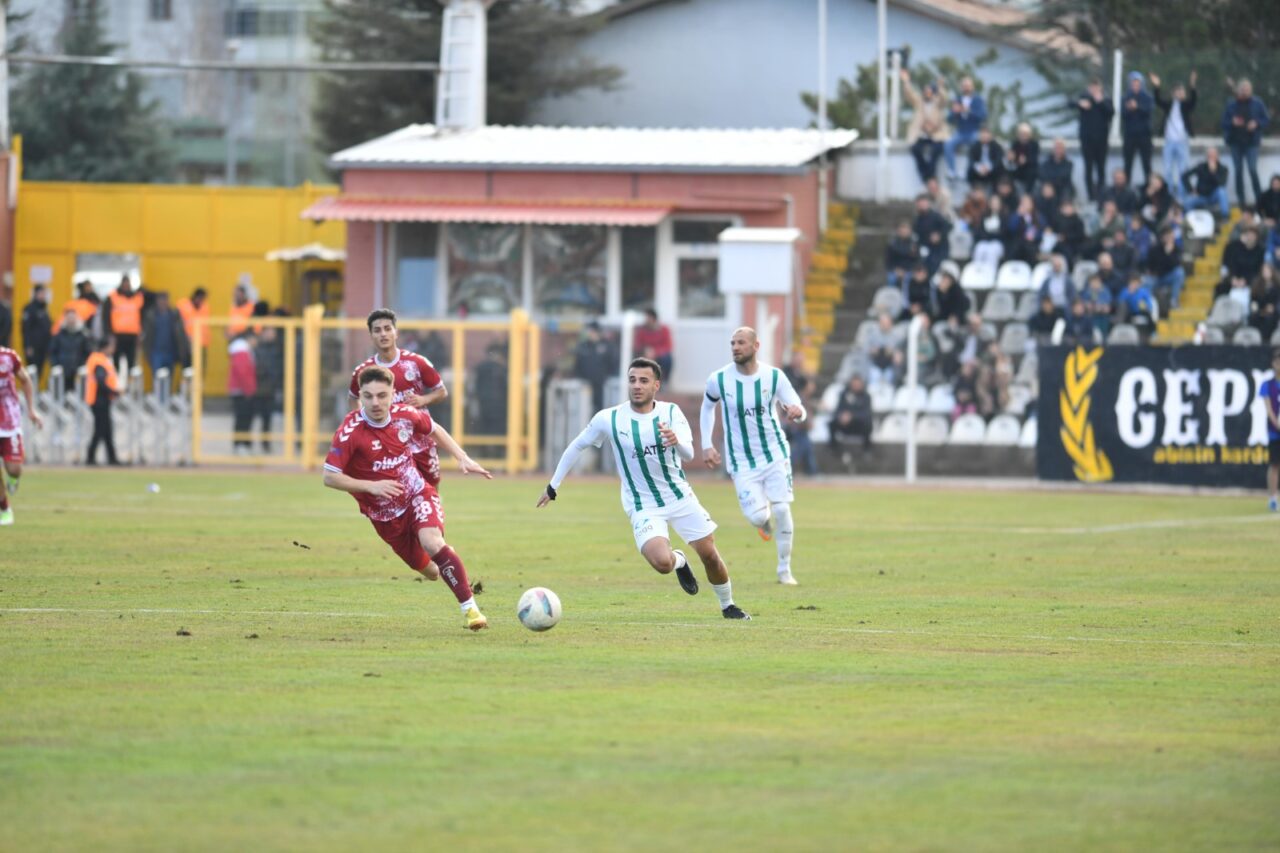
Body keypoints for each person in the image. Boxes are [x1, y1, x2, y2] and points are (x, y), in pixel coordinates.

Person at [540, 357, 751, 619]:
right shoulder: (610, 418)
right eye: (632, 380)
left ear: (656, 385)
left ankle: (728, 605)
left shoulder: (671, 412)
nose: (637, 385)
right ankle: (680, 561)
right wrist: (553, 485)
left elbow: (688, 453)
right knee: (663, 563)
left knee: (710, 555)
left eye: (643, 380)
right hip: (642, 504)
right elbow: (577, 445)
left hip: (679, 497)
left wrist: (675, 441)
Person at [324, 365, 493, 631]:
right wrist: (371, 486)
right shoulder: (350, 432)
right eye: (368, 396)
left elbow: (434, 429)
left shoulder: (405, 415)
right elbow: (330, 476)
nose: (375, 402)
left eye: (382, 395)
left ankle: (471, 610)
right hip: (386, 518)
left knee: (432, 541)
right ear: (360, 397)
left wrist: (463, 458)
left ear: (393, 393)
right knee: (432, 572)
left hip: (416, 493)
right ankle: (448, 563)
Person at [700, 327, 807, 587]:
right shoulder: (719, 379)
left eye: (741, 343)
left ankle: (784, 570)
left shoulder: (773, 377)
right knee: (758, 518)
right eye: (732, 343)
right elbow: (707, 408)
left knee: (782, 507)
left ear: (755, 346)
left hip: (774, 453)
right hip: (741, 460)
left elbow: (798, 407)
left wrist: (797, 412)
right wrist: (706, 444)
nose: (735, 347)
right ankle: (763, 522)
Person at [347, 309, 448, 485]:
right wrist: (363, 423)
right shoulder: (364, 370)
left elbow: (442, 392)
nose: (383, 334)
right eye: (377, 330)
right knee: (393, 492)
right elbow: (353, 397)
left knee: (431, 487)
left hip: (421, 439)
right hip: (387, 443)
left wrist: (423, 400)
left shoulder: (416, 362)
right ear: (371, 335)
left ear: (396, 332)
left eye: (387, 328)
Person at [0, 345, 43, 525]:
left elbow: (25, 380)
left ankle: (13, 479)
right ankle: (4, 508)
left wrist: (32, 409)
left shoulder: (8, 356)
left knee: (14, 469)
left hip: (9, 420)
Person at [1221, 79, 1270, 207]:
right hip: (1235, 143)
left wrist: (1256, 123)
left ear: (1251, 90)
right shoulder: (1231, 104)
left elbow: (1266, 119)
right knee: (1238, 171)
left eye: (1247, 89)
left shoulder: (1258, 103)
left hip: (1252, 143)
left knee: (1252, 169)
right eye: (1242, 89)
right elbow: (1223, 122)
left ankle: (1259, 200)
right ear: (1238, 90)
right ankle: (1241, 202)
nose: (1244, 91)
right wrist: (1232, 122)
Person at [1150, 71, 1197, 194]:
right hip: (1169, 140)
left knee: (1183, 169)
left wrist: (1192, 86)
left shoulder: (1186, 105)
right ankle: (1169, 193)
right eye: (1177, 91)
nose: (1179, 93)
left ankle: (1182, 193)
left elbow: (1193, 101)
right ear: (1173, 93)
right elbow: (1158, 101)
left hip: (1182, 140)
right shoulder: (1169, 105)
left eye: (1181, 91)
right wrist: (1157, 86)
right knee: (1167, 169)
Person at [902, 70, 949, 184]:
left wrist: (940, 86)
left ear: (933, 93)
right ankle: (926, 176)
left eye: (929, 91)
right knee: (915, 149)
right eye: (925, 91)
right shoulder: (919, 101)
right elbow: (909, 94)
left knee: (937, 150)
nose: (927, 93)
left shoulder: (938, 102)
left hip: (935, 134)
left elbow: (943, 97)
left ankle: (930, 175)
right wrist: (906, 81)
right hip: (922, 134)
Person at [1076, 78, 1115, 201]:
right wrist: (1080, 104)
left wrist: (1100, 101)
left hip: (1101, 141)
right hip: (1087, 140)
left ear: (1100, 88)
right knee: (1088, 168)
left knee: (1101, 168)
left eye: (1096, 87)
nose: (1094, 90)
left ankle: (1101, 195)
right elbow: (1069, 103)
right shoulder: (1084, 98)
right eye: (1092, 87)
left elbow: (1111, 112)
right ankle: (1090, 195)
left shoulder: (1106, 99)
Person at [84, 337, 121, 466]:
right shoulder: (99, 361)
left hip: (101, 399)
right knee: (100, 429)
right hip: (99, 400)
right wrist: (114, 392)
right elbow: (101, 381)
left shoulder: (100, 360)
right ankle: (90, 457)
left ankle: (112, 457)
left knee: (106, 430)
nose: (113, 349)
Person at [142, 291, 189, 389]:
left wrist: (182, 351)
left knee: (169, 378)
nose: (163, 302)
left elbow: (181, 335)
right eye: (161, 300)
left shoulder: (174, 316)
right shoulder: (151, 316)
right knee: (157, 377)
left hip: (170, 352)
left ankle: (166, 398)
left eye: (165, 300)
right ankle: (159, 399)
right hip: (156, 352)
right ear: (157, 301)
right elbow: (146, 336)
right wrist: (147, 352)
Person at [782, 351, 818, 476]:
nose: (799, 362)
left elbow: (804, 401)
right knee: (804, 442)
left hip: (796, 417)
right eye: (797, 359)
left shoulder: (800, 375)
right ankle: (791, 467)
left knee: (805, 441)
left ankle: (812, 471)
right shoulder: (785, 374)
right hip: (785, 416)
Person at [943, 76, 986, 181]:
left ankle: (967, 170)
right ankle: (952, 171)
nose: (966, 88)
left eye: (968, 86)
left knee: (977, 147)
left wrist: (969, 111)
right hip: (960, 132)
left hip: (973, 131)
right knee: (948, 145)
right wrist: (955, 113)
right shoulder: (957, 100)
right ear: (961, 88)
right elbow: (949, 119)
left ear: (972, 87)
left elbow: (983, 116)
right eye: (964, 86)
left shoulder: (978, 100)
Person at [573, 321, 616, 414]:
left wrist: (605, 377)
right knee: (584, 411)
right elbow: (577, 365)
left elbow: (612, 363)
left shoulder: (606, 346)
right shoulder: (583, 346)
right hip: (585, 385)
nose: (590, 334)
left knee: (601, 410)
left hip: (602, 385)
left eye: (592, 331)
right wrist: (580, 377)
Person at [1120, 71, 1155, 185]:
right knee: (1127, 164)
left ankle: (1149, 187)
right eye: (1133, 83)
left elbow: (1148, 112)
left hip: (1144, 135)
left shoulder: (1147, 97)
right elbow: (1123, 114)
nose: (1135, 86)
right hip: (1130, 135)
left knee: (1147, 164)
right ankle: (1126, 187)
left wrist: (1137, 107)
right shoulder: (1125, 97)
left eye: (1137, 83)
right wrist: (1130, 109)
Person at [106, 275, 144, 375]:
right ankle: (115, 384)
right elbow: (105, 316)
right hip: (117, 335)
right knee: (116, 363)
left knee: (131, 363)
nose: (126, 286)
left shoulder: (136, 297)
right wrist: (109, 333)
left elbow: (142, 313)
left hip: (132, 336)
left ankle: (130, 386)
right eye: (125, 283)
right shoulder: (113, 297)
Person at [1182, 147, 1231, 219]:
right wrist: (1191, 190)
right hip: (1201, 196)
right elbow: (1184, 176)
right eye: (1210, 155)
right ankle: (1189, 220)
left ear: (1218, 156)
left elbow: (1222, 184)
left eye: (1213, 155)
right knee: (1188, 202)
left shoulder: (1223, 169)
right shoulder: (1201, 166)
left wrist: (1213, 172)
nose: (1211, 157)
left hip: (1213, 196)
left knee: (1222, 191)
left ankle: (1225, 217)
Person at [48, 309, 90, 389]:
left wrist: (83, 365)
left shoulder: (83, 335)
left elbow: (87, 352)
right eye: (69, 318)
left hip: (77, 372)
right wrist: (55, 365)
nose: (71, 320)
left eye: (73, 317)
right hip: (62, 371)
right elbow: (52, 352)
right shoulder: (59, 335)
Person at [1144, 227, 1186, 308]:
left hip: (1167, 276)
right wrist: (1166, 254)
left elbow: (1176, 264)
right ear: (1163, 237)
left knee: (1179, 272)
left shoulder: (1175, 249)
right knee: (1147, 282)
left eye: (1171, 236)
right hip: (1155, 277)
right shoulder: (1155, 248)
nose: (1170, 239)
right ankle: (1148, 306)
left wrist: (1168, 254)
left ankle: (1174, 300)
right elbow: (1155, 266)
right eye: (1168, 236)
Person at [829, 374, 872, 452]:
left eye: (858, 384)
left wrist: (852, 416)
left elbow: (866, 413)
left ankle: (867, 450)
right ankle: (834, 449)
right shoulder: (844, 395)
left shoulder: (866, 397)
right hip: (845, 424)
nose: (856, 386)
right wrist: (841, 416)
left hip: (859, 425)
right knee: (831, 424)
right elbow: (838, 410)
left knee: (868, 425)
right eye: (854, 384)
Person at [1261, 350, 1280, 512]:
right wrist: (1277, 424)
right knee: (1274, 464)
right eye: (1277, 361)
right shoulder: (1267, 385)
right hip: (1275, 432)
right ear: (1273, 364)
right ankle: (1273, 498)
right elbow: (1269, 409)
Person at [912, 194, 951, 275]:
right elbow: (917, 236)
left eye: (924, 203)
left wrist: (939, 235)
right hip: (925, 250)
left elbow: (948, 226)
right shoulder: (917, 220)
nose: (922, 206)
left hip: (939, 250)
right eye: (920, 204)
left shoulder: (936, 216)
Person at [21, 284, 52, 382]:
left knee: (39, 372)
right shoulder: (29, 309)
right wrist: (28, 346)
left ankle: (35, 392)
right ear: (36, 294)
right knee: (32, 372)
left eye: (44, 293)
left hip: (43, 347)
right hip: (33, 347)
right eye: (41, 293)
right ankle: (30, 394)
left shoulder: (43, 308)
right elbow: (25, 329)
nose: (43, 295)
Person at [633, 308, 674, 381]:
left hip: (659, 356)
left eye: (647, 318)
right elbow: (637, 345)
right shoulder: (642, 330)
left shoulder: (664, 329)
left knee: (668, 359)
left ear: (653, 319)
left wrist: (655, 352)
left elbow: (668, 346)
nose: (646, 320)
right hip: (645, 354)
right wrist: (645, 350)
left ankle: (664, 381)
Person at [176, 287, 210, 371]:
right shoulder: (183, 305)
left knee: (201, 369)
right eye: (201, 298)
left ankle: (199, 384)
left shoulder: (205, 307)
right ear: (196, 296)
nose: (202, 301)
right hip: (187, 343)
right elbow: (178, 324)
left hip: (201, 343)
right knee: (187, 369)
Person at [966, 126, 1004, 191]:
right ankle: (974, 192)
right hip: (978, 170)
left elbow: (998, 159)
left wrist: (988, 167)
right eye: (982, 134)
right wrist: (979, 168)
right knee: (970, 170)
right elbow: (971, 160)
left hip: (992, 170)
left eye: (987, 134)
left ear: (991, 135)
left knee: (1000, 171)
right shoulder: (974, 146)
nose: (985, 136)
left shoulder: (996, 146)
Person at [1006, 123, 1040, 196]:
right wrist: (1011, 158)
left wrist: (1026, 160)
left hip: (1030, 172)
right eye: (1021, 133)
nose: (1023, 136)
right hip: (1018, 171)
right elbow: (1011, 159)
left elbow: (1034, 159)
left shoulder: (1034, 144)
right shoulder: (1015, 144)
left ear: (1029, 134)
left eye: (1025, 134)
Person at [885, 221, 918, 292]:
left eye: (906, 230)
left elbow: (916, 260)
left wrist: (906, 270)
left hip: (909, 270)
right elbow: (888, 261)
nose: (904, 232)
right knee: (891, 279)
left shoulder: (914, 244)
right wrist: (896, 270)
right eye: (902, 230)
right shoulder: (892, 244)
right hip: (895, 270)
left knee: (910, 280)